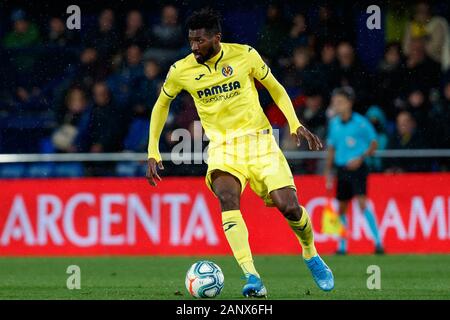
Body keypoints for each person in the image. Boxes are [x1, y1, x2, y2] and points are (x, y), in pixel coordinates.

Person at [146, 9, 334, 297]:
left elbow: (276, 88)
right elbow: (161, 105)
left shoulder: (245, 55)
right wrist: (153, 150)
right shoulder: (181, 70)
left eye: (200, 41)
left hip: (260, 142)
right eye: (191, 41)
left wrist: (295, 123)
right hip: (223, 148)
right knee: (227, 196)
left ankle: (310, 253)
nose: (194, 47)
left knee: (289, 207)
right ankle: (252, 276)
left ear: (216, 38)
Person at [324, 87, 384, 255]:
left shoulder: (361, 122)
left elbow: (374, 144)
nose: (337, 105)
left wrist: (361, 157)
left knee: (362, 203)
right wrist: (328, 171)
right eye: (335, 102)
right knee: (342, 207)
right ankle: (342, 246)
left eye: (340, 102)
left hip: (359, 169)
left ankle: (378, 242)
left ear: (349, 103)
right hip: (341, 169)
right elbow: (331, 148)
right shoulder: (334, 124)